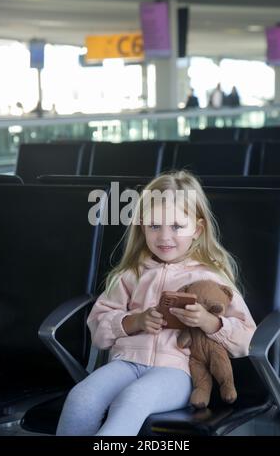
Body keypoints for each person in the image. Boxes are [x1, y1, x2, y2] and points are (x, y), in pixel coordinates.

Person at [56, 170, 256, 436]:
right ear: (142, 226)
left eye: (176, 226)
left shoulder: (211, 277)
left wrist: (210, 322)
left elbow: (247, 337)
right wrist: (132, 322)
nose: (164, 236)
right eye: (154, 225)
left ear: (197, 229)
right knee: (81, 398)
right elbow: (98, 330)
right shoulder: (131, 274)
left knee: (132, 400)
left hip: (177, 373)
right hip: (125, 363)